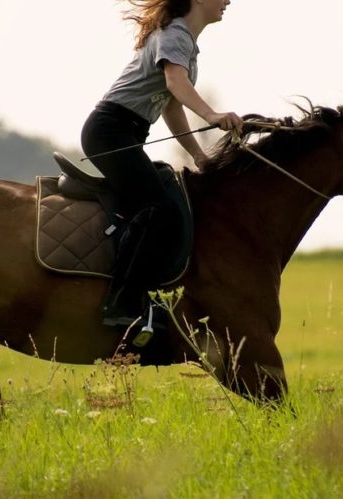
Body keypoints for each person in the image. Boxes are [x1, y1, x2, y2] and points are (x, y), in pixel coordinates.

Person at [81, 0, 243, 327]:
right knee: (161, 209)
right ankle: (122, 304)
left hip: (123, 133)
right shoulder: (175, 35)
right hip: (110, 132)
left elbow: (171, 105)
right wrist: (211, 115)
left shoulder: (184, 42)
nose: (229, 1)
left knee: (159, 201)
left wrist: (197, 153)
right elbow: (175, 84)